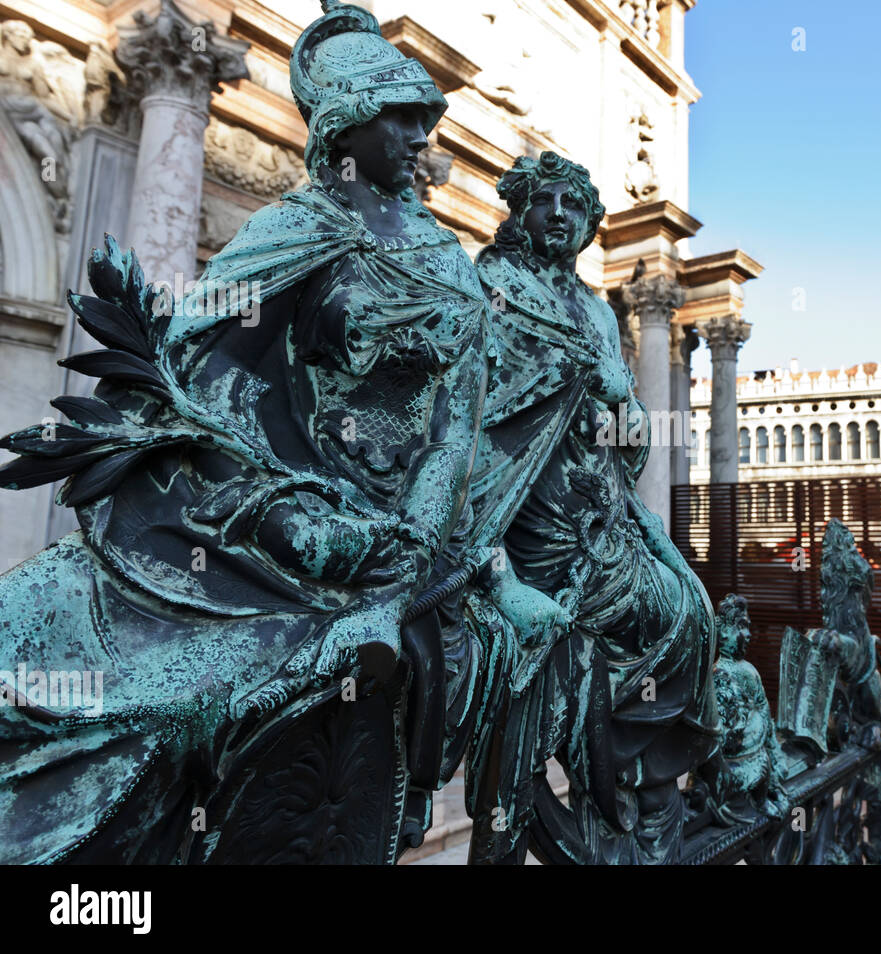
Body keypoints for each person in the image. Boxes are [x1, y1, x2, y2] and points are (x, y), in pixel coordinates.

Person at [0, 1, 522, 863]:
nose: (420, 133)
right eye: (399, 114)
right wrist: (280, 510)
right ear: (346, 123)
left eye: (424, 115)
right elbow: (192, 374)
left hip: (397, 543)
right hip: (267, 521)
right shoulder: (297, 228)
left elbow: (453, 437)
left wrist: (401, 555)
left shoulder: (447, 267)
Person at [463, 151, 719, 864]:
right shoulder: (492, 285)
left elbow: (631, 441)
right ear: (520, 207)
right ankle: (511, 829)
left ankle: (642, 793)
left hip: (601, 521)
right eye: (546, 200)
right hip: (525, 520)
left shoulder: (598, 314)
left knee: (687, 616)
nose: (560, 216)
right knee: (536, 697)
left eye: (575, 208)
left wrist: (618, 396)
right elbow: (470, 420)